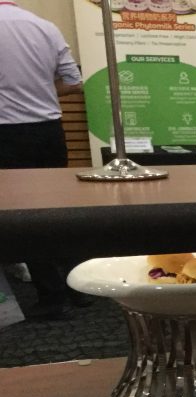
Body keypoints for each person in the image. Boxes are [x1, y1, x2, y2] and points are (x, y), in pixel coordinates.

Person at [0, 2, 86, 321]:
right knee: (56, 210)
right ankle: (78, 288)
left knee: (23, 217)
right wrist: (36, 91)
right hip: (49, 131)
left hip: (7, 132)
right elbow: (73, 81)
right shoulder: (45, 26)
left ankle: (52, 298)